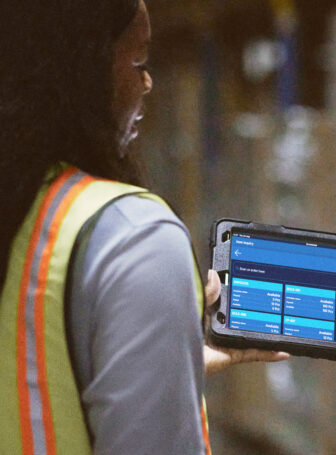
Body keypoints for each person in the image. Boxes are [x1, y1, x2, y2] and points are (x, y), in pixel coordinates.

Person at [0, 1, 287, 453]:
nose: (147, 83)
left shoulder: (23, 213)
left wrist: (160, 367)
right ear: (77, 74)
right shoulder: (134, 237)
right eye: (139, 63)